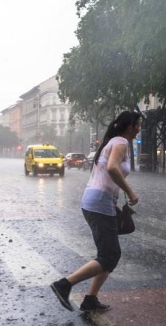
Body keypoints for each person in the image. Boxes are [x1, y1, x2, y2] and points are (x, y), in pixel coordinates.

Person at [51, 111, 141, 312]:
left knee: (109, 253)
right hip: (99, 201)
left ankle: (90, 299)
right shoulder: (121, 143)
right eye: (138, 125)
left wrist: (114, 201)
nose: (139, 129)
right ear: (129, 127)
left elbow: (103, 176)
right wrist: (130, 192)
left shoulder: (111, 143)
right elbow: (112, 169)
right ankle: (64, 284)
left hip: (99, 200)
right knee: (109, 255)